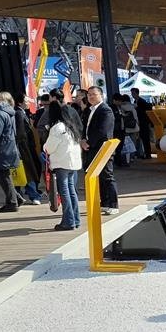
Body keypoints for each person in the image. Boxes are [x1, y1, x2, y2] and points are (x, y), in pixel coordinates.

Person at [43, 100, 82, 230]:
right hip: (72, 163)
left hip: (62, 163)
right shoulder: (70, 127)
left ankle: (68, 221)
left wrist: (44, 147)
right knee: (72, 192)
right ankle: (75, 219)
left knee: (64, 192)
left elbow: (49, 147)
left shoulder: (57, 128)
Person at [82, 86, 119, 214]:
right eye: (89, 95)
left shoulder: (105, 110)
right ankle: (104, 203)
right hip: (91, 148)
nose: (91, 97)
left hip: (103, 148)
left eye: (94, 94)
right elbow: (85, 128)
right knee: (98, 177)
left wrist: (89, 142)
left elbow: (102, 131)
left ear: (101, 95)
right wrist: (82, 140)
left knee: (107, 176)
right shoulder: (89, 110)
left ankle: (113, 205)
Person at [11, 92, 44, 204]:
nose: (28, 103)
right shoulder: (19, 114)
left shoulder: (22, 113)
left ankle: (21, 195)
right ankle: (33, 195)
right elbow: (21, 133)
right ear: (20, 102)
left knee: (26, 172)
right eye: (26, 101)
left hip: (26, 147)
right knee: (28, 171)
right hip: (24, 148)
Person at [131, 87, 152, 158]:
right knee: (141, 139)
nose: (132, 95)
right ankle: (142, 153)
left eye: (133, 93)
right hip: (139, 122)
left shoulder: (142, 101)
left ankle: (148, 154)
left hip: (144, 122)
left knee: (145, 138)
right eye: (132, 93)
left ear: (137, 93)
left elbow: (145, 111)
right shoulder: (135, 101)